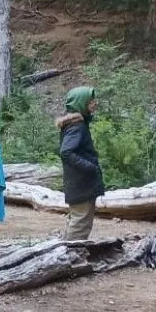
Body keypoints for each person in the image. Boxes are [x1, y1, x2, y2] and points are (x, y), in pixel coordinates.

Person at [57, 86, 105, 240]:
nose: (94, 104)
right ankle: (70, 258)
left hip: (79, 183)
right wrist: (89, 167)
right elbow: (66, 152)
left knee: (78, 219)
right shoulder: (76, 126)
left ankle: (67, 254)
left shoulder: (76, 124)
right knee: (80, 222)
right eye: (90, 101)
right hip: (81, 183)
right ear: (81, 102)